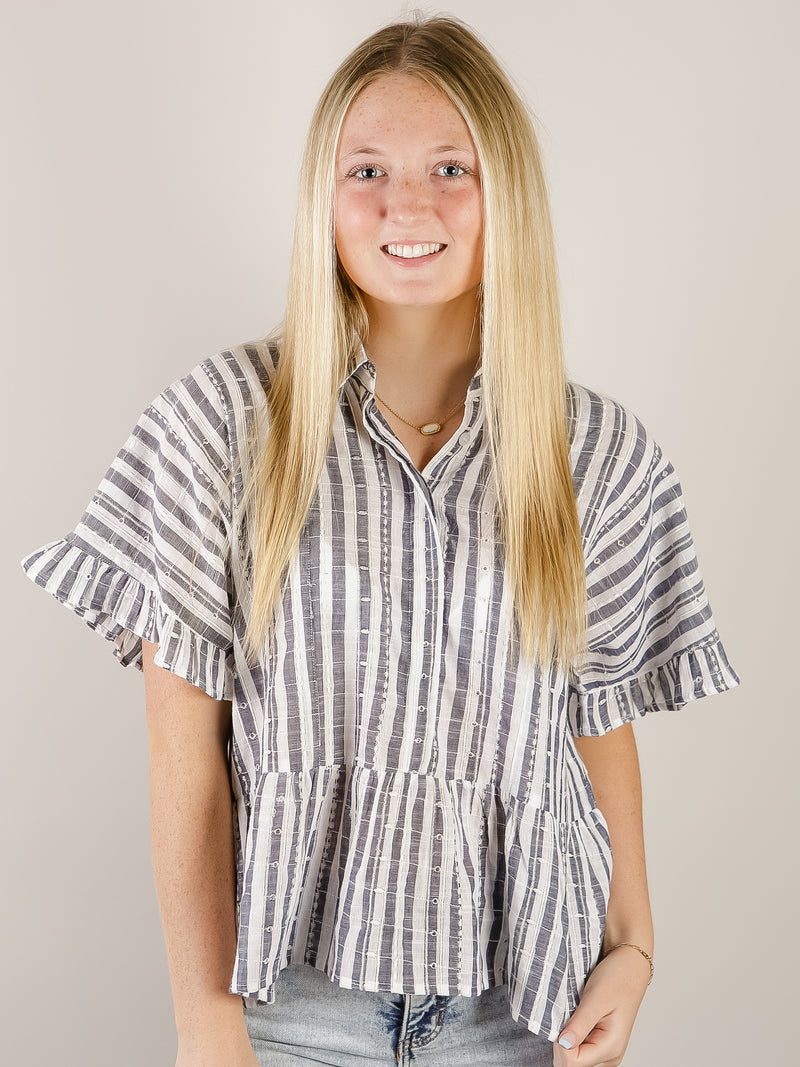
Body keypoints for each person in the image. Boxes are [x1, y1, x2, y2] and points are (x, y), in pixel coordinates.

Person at [22, 14, 739, 1067]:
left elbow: (597, 721)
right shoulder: (220, 424)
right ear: (323, 194)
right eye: (368, 169)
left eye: (450, 166)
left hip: (522, 1007)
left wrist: (632, 943)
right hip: (283, 1009)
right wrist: (204, 1021)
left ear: (506, 195)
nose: (408, 203)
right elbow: (183, 753)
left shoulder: (598, 452)